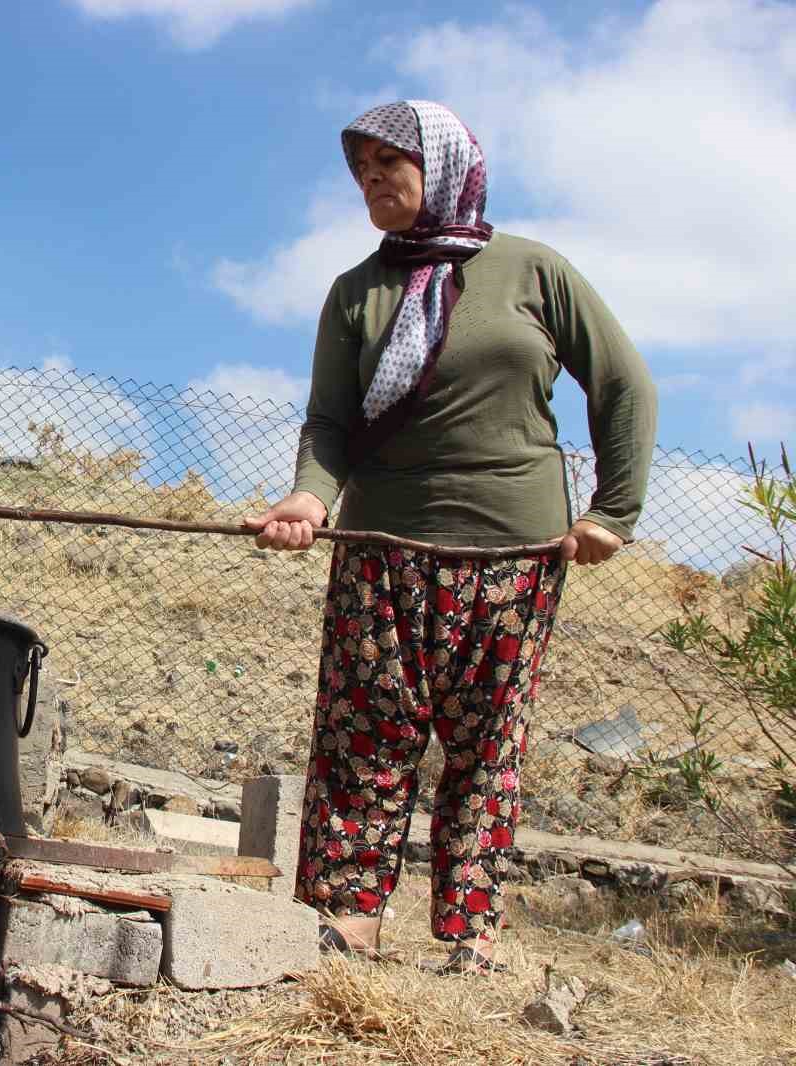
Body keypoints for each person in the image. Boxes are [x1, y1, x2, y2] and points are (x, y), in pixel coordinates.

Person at [243, 100, 657, 975]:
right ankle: (347, 916)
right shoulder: (356, 291)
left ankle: (470, 932)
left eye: (387, 165)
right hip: (381, 546)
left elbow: (622, 384)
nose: (370, 183)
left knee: (485, 741)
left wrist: (614, 512)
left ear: (444, 164)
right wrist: (311, 500)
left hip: (515, 552)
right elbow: (328, 424)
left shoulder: (533, 271)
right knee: (368, 731)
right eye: (358, 172)